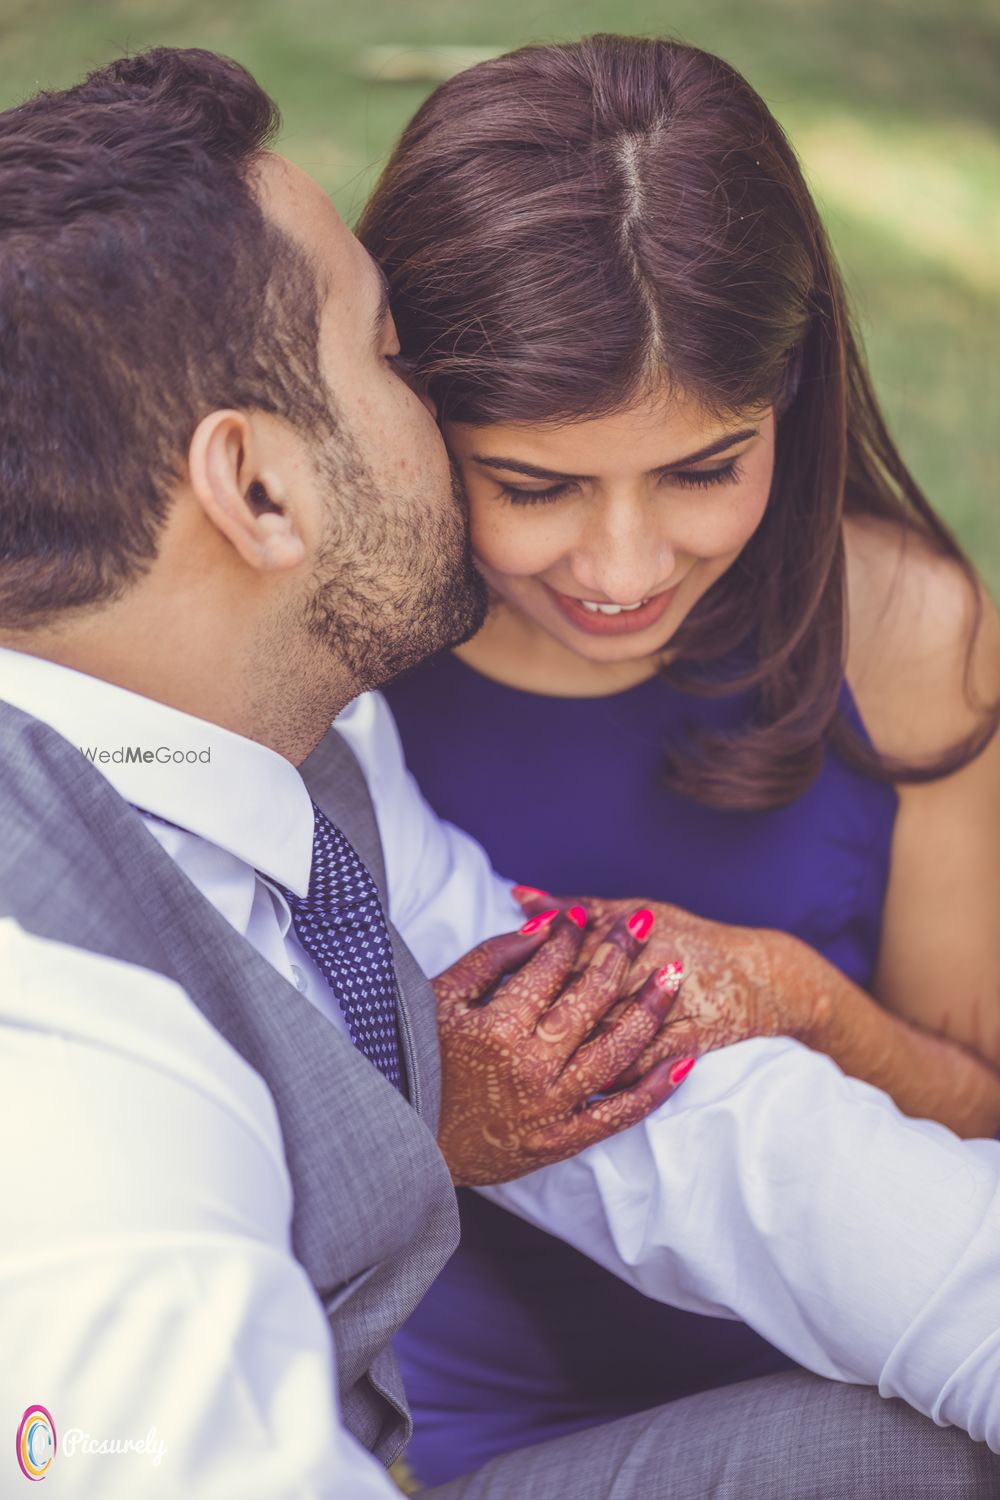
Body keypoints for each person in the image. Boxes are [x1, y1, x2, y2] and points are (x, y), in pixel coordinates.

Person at [9, 42, 987, 1500]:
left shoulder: (311, 747)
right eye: (392, 352)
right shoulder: (66, 1037)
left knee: (906, 1455)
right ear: (259, 486)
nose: (616, 561)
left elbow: (655, 1103)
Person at [354, 33, 1000, 1483]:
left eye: (706, 469)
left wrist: (798, 1000)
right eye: (537, 486)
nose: (625, 566)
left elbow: (982, 1109)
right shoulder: (333, 670)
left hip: (873, 1365)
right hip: (473, 1443)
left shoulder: (905, 629)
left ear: (792, 396)